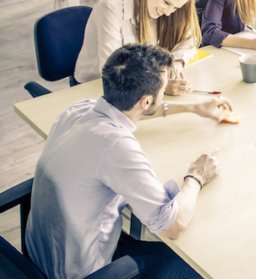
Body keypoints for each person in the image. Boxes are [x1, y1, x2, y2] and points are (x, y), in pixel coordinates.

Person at [26, 44, 234, 279]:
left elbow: (136, 109)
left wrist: (193, 107)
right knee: (202, 264)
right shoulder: (116, 147)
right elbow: (173, 226)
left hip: (42, 256)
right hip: (84, 272)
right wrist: (196, 176)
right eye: (163, 89)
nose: (164, 92)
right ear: (146, 101)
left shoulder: (77, 110)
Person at [74, 0, 202, 96]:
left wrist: (177, 61)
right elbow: (113, 69)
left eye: (175, 8)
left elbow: (189, 39)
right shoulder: (111, 4)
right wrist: (160, 86)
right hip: (95, 85)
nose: (169, 12)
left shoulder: (165, 9)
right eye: (167, 2)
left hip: (138, 82)